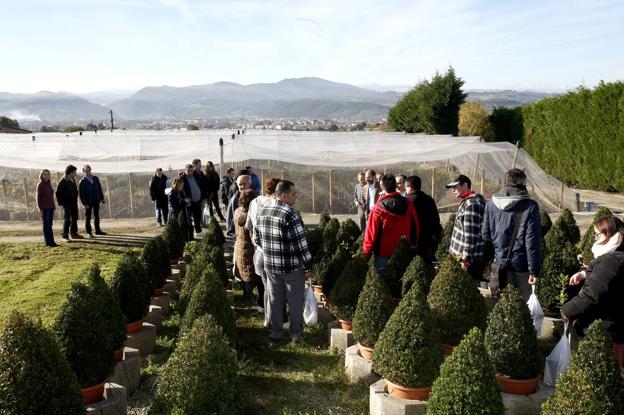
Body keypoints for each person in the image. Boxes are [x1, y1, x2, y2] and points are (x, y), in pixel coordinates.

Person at [255, 180, 313, 346]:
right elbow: (300, 245)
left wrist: (271, 253)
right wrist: (308, 267)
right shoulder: (290, 214)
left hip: (271, 266)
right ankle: (296, 335)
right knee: (294, 302)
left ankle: (275, 335)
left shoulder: (262, 210)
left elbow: (257, 239)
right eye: (294, 194)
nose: (296, 197)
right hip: (292, 268)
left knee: (274, 300)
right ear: (283, 195)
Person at [563, 215, 624, 368]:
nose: (595, 238)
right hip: (616, 329)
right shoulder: (617, 256)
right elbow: (608, 279)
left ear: (610, 234)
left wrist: (568, 310)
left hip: (603, 329)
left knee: (597, 374)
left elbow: (593, 294)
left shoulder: (610, 260)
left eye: (598, 234)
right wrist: (584, 274)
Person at [481, 169, 541, 301]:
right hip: (521, 267)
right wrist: (534, 271)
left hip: (499, 265)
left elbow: (485, 236)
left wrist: (493, 260)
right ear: (523, 183)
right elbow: (531, 242)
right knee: (520, 309)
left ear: (505, 183)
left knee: (499, 309)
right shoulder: (530, 206)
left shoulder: (490, 204)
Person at [363, 175, 419, 276]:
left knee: (383, 283)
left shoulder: (377, 209)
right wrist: (413, 244)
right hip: (403, 249)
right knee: (402, 281)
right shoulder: (408, 203)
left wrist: (366, 254)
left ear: (382, 187)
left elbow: (371, 234)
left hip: (383, 252)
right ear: (395, 185)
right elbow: (415, 225)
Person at [246, 177, 281, 319]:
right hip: (274, 251)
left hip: (258, 250)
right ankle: (277, 318)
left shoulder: (254, 202)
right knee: (277, 288)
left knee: (264, 283)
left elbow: (248, 225)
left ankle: (265, 311)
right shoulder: (276, 204)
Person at [446, 174, 486, 280]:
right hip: (461, 257)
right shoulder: (468, 202)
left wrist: (466, 259)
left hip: (466, 260)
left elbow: (471, 236)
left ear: (465, 185)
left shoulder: (471, 204)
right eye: (452, 188)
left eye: (455, 187)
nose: (453, 190)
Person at [235, 190, 264, 305]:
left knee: (244, 272)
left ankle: (247, 296)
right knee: (251, 274)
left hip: (240, 246)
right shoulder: (249, 215)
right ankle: (250, 298)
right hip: (249, 248)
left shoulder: (238, 211)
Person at [405, 175, 442, 264]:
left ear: (409, 186)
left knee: (413, 264)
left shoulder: (408, 201)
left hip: (412, 240)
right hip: (428, 238)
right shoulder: (429, 199)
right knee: (427, 263)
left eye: (406, 187)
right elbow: (436, 219)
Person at [55, 165, 82, 241]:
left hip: (73, 202)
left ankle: (74, 233)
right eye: (74, 172)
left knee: (74, 218)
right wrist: (61, 202)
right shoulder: (63, 181)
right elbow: (57, 193)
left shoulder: (72, 179)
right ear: (70, 172)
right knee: (67, 219)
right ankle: (65, 236)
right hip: (67, 203)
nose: (75, 173)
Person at [78, 164, 106, 237]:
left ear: (90, 170)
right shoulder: (82, 181)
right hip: (88, 202)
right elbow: (81, 194)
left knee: (96, 216)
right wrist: (84, 203)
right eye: (86, 170)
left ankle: (98, 230)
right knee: (88, 217)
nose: (88, 172)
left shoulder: (95, 178)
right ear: (83, 171)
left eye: (89, 170)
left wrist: (102, 198)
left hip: (96, 200)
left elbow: (99, 188)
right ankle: (89, 232)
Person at [181, 164, 204, 236]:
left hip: (197, 201)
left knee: (197, 216)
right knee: (189, 218)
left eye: (191, 170)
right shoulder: (182, 178)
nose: (190, 172)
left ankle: (198, 231)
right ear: (185, 170)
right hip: (189, 202)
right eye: (188, 171)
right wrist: (187, 199)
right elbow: (182, 190)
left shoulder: (195, 176)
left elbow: (200, 186)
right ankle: (189, 232)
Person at [36, 169, 57, 247]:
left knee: (50, 224)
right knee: (46, 224)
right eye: (45, 174)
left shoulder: (48, 183)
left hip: (50, 207)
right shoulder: (40, 184)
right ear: (41, 175)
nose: (47, 176)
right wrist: (40, 209)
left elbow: (51, 196)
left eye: (48, 174)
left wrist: (54, 206)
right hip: (45, 208)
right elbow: (38, 198)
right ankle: (48, 242)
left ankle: (52, 242)